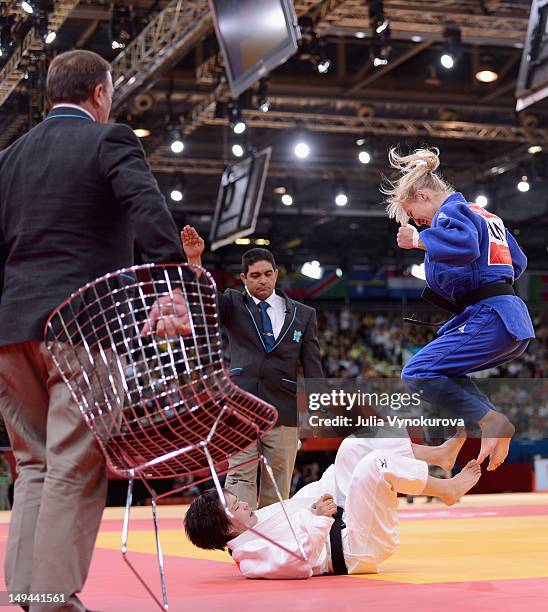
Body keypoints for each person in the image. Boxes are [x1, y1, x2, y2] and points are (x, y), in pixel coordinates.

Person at [0, 50, 188, 611]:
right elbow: (147, 207)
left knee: (32, 465)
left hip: (11, 332)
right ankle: (53, 600)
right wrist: (172, 283)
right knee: (74, 466)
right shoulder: (110, 140)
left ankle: (29, 594)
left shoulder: (7, 159)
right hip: (84, 328)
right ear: (101, 94)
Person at [382, 147, 535, 471]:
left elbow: (464, 247)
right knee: (443, 371)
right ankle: (492, 419)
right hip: (508, 316)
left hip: (491, 315)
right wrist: (486, 278)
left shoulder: (451, 212)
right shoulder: (485, 216)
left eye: (415, 214)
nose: (418, 222)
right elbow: (517, 262)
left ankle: (490, 418)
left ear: (423, 195)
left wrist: (419, 240)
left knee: (416, 372)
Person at [183, 431, 478, 579]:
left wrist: (326, 489)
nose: (244, 504)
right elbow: (297, 564)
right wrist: (318, 518)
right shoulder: (250, 560)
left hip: (345, 523)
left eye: (236, 499)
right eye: (236, 506)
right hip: (356, 550)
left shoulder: (257, 522)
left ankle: (438, 455)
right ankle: (447, 489)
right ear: (226, 527)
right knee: (373, 465)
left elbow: (302, 504)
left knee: (352, 446)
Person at [181, 226, 323, 509]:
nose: (262, 281)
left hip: (283, 410)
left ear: (276, 274)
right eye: (255, 276)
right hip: (240, 408)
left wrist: (318, 410)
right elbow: (204, 301)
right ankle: (241, 540)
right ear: (243, 278)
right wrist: (195, 261)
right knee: (239, 479)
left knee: (279, 485)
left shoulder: (304, 315)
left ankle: (272, 546)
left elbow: (312, 366)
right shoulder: (232, 303)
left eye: (267, 274)